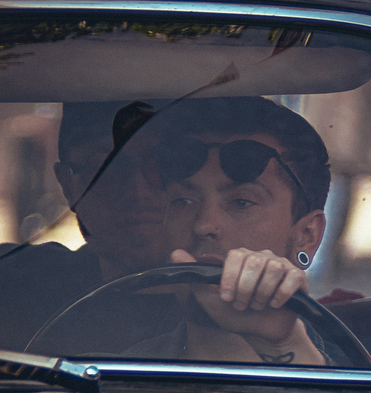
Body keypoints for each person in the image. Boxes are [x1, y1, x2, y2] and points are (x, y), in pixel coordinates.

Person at [121, 96, 335, 365]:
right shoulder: (104, 375)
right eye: (183, 202)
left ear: (306, 236)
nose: (203, 225)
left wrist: (285, 347)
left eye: (241, 202)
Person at [0, 100, 167, 352]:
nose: (139, 191)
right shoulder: (12, 287)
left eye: (159, 165)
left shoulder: (218, 297)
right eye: (106, 168)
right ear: (67, 186)